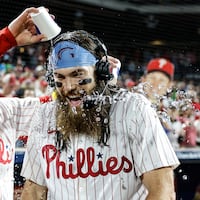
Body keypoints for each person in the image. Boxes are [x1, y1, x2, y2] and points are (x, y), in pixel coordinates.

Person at [20, 30, 179, 200]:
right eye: (60, 77)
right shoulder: (44, 116)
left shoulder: (133, 108)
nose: (68, 87)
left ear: (101, 72)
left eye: (77, 74)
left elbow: (162, 191)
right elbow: (33, 192)